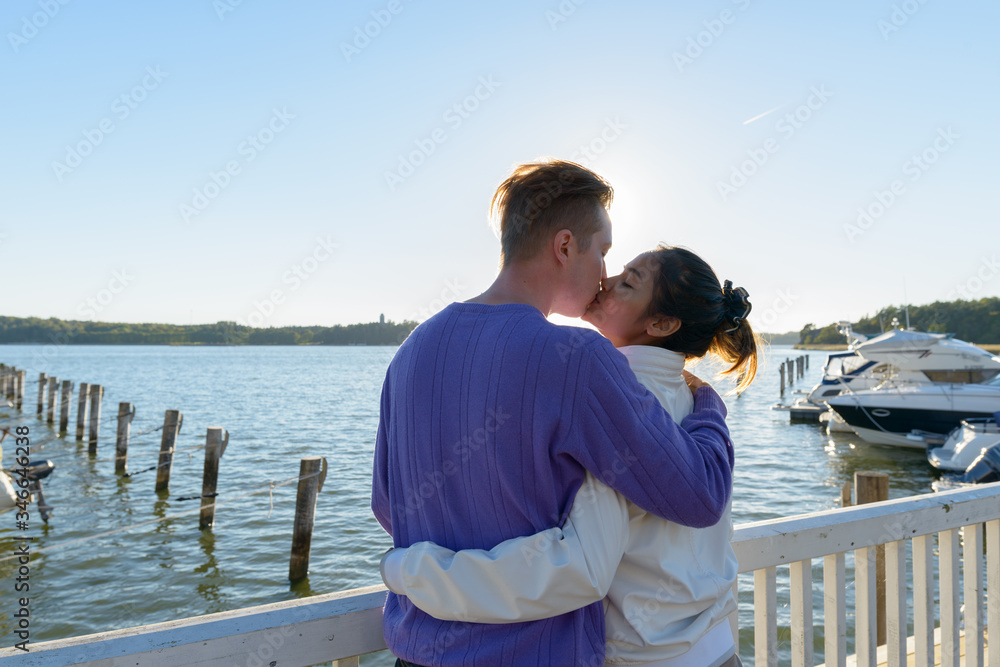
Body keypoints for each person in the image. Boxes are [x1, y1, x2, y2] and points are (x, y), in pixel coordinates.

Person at [371, 160, 735, 667]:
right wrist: (707, 403)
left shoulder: (408, 354)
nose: (606, 276)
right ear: (565, 247)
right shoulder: (580, 360)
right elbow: (696, 493)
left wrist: (423, 569)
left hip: (418, 651)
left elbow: (390, 507)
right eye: (603, 252)